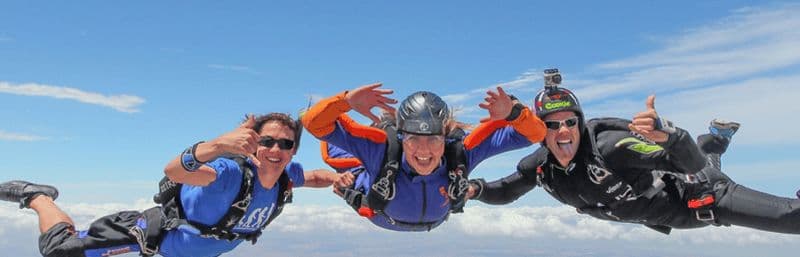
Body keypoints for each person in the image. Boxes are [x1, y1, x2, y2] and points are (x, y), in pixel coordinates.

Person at [468, 78, 800, 234]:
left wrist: (672, 137)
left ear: (580, 124)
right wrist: (475, 190)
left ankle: (710, 142)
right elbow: (508, 188)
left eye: (571, 122)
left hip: (704, 197)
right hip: (667, 210)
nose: (563, 131)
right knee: (707, 155)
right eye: (551, 125)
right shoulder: (542, 166)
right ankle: (714, 141)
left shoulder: (613, 147)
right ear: (541, 130)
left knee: (792, 219)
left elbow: (689, 165)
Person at [0, 113, 342, 257]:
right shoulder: (227, 174)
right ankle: (38, 196)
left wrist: (340, 178)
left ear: (294, 149)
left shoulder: (287, 176)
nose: (275, 151)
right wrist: (218, 146)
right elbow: (176, 171)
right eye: (267, 141)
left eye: (285, 144)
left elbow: (314, 177)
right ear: (253, 143)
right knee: (60, 251)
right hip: (153, 237)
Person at [301, 83, 547, 231]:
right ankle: (354, 177)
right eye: (413, 139)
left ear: (445, 137)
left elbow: (535, 134)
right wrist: (345, 101)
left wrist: (515, 113)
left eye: (434, 139)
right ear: (401, 137)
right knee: (355, 176)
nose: (424, 150)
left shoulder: (460, 152)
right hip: (378, 212)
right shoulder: (381, 150)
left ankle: (354, 176)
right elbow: (313, 123)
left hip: (417, 217)